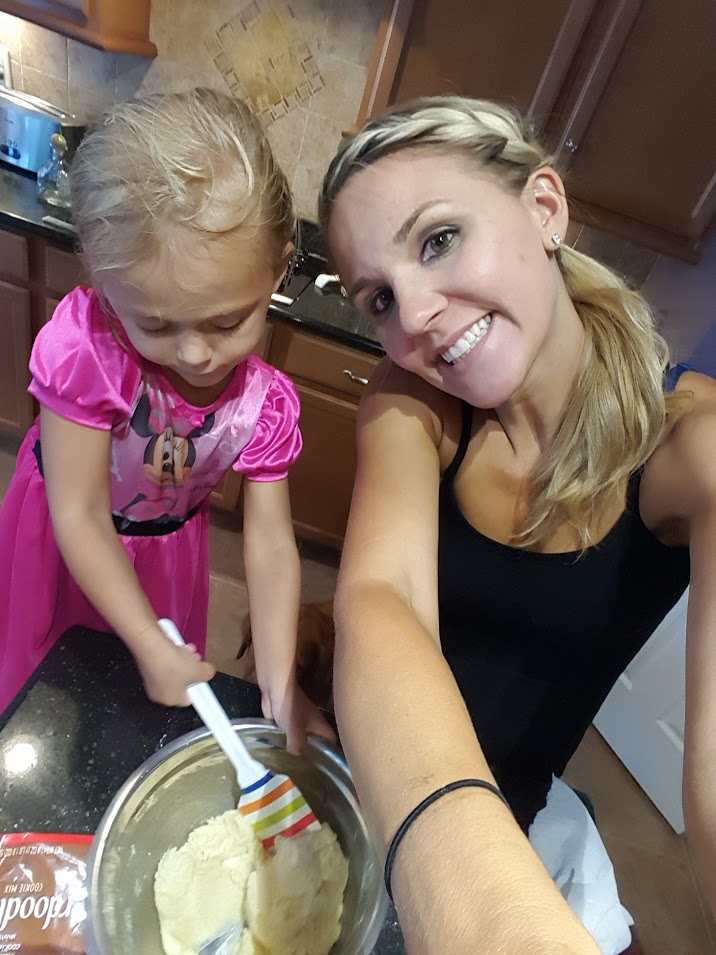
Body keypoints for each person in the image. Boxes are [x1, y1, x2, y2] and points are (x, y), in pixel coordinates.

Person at [318, 96, 716, 954]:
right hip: (360, 773)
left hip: (508, 827)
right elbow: (384, 598)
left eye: (438, 240)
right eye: (379, 297)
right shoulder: (412, 404)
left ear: (544, 208)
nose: (413, 316)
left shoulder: (690, 447)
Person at [0, 88, 333, 753]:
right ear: (102, 283)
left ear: (278, 268)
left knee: (132, 709)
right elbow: (79, 514)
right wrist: (148, 640)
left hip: (168, 556)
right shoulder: (88, 355)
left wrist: (280, 686)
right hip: (68, 542)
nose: (196, 354)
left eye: (227, 321)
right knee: (45, 685)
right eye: (154, 325)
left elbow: (269, 544)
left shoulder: (262, 403)